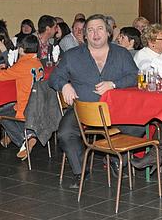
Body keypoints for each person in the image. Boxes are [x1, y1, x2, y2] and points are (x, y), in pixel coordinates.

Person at [50, 14, 141, 188]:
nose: (95, 34)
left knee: (138, 126)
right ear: (85, 35)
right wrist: (64, 85)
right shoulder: (72, 55)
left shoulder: (121, 54)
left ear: (108, 33)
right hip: (83, 110)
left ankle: (116, 158)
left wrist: (114, 84)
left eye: (100, 29)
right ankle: (80, 170)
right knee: (65, 133)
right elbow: (54, 77)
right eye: (90, 30)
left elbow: (134, 76)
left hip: (115, 109)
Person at [0, 34, 45, 159]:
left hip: (25, 107)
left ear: (21, 49)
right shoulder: (38, 63)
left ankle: (24, 139)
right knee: (9, 108)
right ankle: (24, 134)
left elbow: (1, 76)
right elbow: (17, 71)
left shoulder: (23, 64)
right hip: (38, 105)